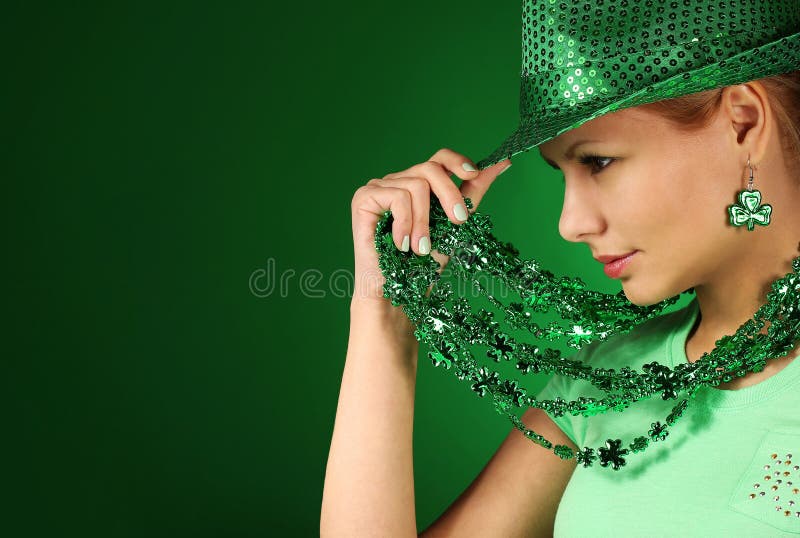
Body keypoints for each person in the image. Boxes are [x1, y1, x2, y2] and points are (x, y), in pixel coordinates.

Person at [321, 1, 800, 536]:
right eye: (562, 173)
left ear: (744, 122)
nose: (569, 224)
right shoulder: (612, 379)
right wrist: (386, 313)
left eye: (598, 161)